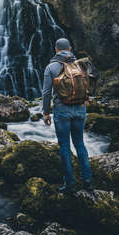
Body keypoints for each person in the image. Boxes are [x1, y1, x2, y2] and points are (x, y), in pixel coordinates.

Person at [42, 38, 94, 193]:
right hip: (80, 109)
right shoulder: (80, 65)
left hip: (62, 111)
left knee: (64, 146)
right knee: (80, 144)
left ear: (56, 49)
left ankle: (69, 183)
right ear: (70, 49)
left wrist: (46, 112)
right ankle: (88, 181)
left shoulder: (51, 67)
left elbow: (46, 93)